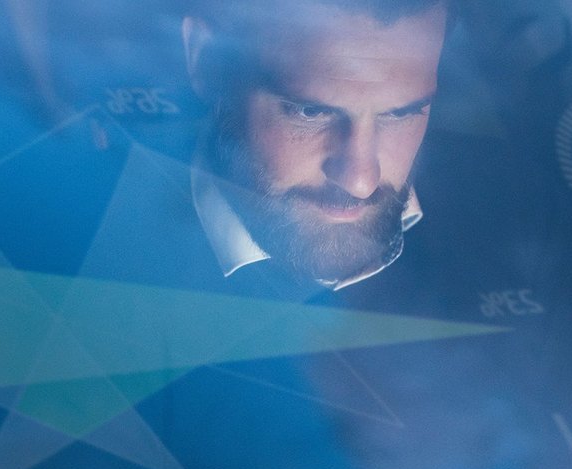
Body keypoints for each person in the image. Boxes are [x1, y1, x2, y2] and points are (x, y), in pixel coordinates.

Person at [181, 0, 450, 289]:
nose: (360, 183)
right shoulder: (144, 256)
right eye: (310, 112)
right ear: (207, 59)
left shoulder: (480, 211)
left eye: (401, 113)